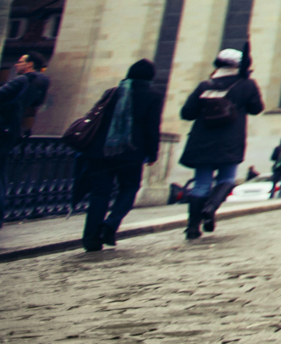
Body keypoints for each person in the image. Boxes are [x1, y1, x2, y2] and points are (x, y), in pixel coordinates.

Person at [77, 59, 166, 251]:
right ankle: (111, 222)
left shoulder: (113, 92)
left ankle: (91, 239)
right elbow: (152, 127)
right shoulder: (153, 95)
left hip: (100, 151)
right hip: (130, 153)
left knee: (99, 194)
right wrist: (152, 154)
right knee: (130, 188)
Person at [178, 48, 265, 239]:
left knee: (201, 184)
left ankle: (192, 227)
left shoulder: (205, 84)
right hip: (230, 140)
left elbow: (187, 113)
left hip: (202, 141)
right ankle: (210, 208)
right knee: (226, 179)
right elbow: (257, 108)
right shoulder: (246, 84)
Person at [0, 51, 52, 225]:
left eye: (21, 61)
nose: (16, 64)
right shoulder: (40, 84)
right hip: (12, 132)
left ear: (29, 65)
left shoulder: (22, 80)